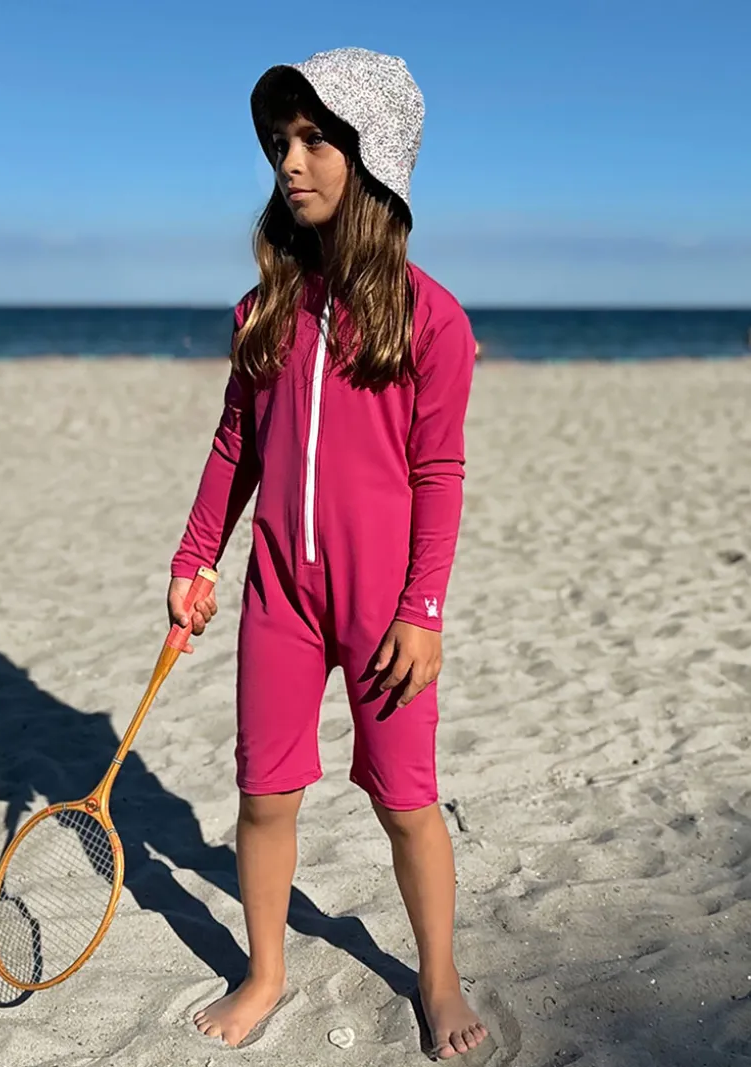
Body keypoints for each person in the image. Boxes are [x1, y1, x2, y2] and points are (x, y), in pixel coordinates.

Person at [167, 47, 487, 1059]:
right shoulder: (262, 309)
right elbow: (235, 446)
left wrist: (423, 610)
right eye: (280, 143)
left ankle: (437, 974)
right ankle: (265, 970)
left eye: (314, 139)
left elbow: (439, 472)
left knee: (405, 801)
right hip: (279, 596)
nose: (290, 162)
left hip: (385, 603)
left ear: (372, 154)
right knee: (263, 795)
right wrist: (196, 557)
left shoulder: (432, 318)